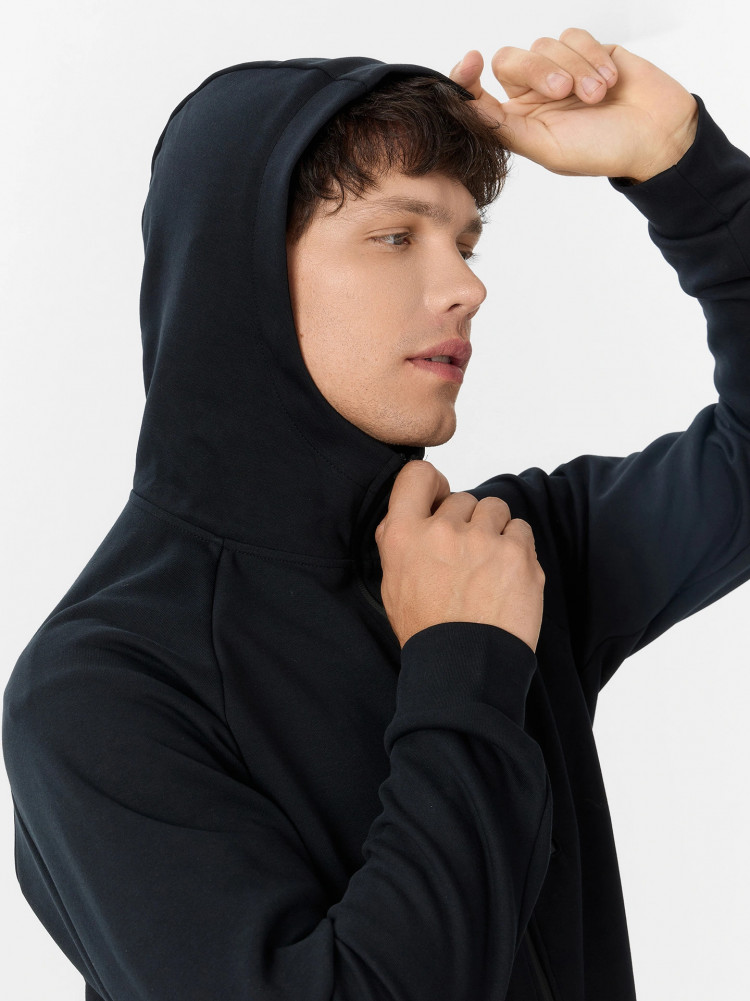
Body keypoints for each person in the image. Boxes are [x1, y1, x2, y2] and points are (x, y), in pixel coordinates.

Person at [3, 24, 749, 1001]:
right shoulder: (100, 689)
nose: (467, 286)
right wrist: (469, 662)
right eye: (397, 236)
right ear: (241, 274)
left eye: (465, 240)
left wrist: (685, 166)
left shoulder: (502, 551)